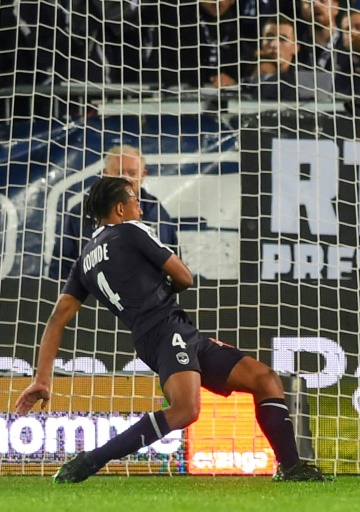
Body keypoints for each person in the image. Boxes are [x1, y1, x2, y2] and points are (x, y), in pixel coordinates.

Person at [16, 177, 325, 483]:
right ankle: (92, 460)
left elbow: (57, 319)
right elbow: (185, 277)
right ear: (120, 209)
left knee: (264, 378)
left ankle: (291, 467)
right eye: (135, 201)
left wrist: (42, 378)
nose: (140, 208)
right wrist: (171, 285)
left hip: (166, 334)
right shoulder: (131, 230)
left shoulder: (84, 260)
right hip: (166, 330)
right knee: (185, 410)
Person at [49, 145, 178, 280]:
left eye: (132, 173)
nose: (126, 179)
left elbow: (174, 261)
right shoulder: (80, 213)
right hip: (92, 291)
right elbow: (61, 266)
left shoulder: (157, 214)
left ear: (143, 175)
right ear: (106, 174)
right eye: (119, 172)